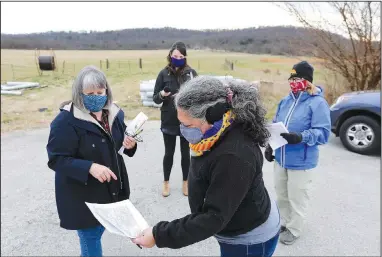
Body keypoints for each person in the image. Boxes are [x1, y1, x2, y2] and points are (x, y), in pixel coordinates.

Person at [133, 76, 281, 257]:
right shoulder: (213, 133)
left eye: (187, 125)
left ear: (211, 115)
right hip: (234, 222)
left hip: (248, 239)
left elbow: (213, 217)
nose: (183, 130)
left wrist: (158, 235)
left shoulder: (234, 156)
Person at [46, 65, 138, 257]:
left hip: (110, 189)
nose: (96, 96)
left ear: (106, 90)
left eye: (100, 91)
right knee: (91, 238)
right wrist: (89, 167)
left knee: (99, 231)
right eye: (90, 93)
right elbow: (57, 159)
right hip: (83, 194)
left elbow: (120, 145)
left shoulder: (113, 113)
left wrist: (129, 145)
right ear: (79, 93)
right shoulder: (65, 121)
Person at [264, 61, 331, 245]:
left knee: (297, 197)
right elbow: (275, 126)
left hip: (301, 161)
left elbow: (323, 134)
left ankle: (294, 229)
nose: (294, 82)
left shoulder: (317, 103)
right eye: (292, 78)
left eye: (298, 78)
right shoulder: (285, 101)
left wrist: (300, 137)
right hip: (281, 159)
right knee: (282, 194)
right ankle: (285, 222)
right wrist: (271, 146)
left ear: (308, 81)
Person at [153, 41, 198, 197]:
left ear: (184, 57)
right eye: (174, 56)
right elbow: (155, 99)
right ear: (170, 56)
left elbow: (198, 96)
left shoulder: (191, 73)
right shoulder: (163, 74)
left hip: (186, 121)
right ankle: (166, 182)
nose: (177, 58)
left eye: (180, 56)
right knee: (169, 153)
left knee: (185, 153)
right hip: (168, 119)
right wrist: (162, 95)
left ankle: (186, 182)